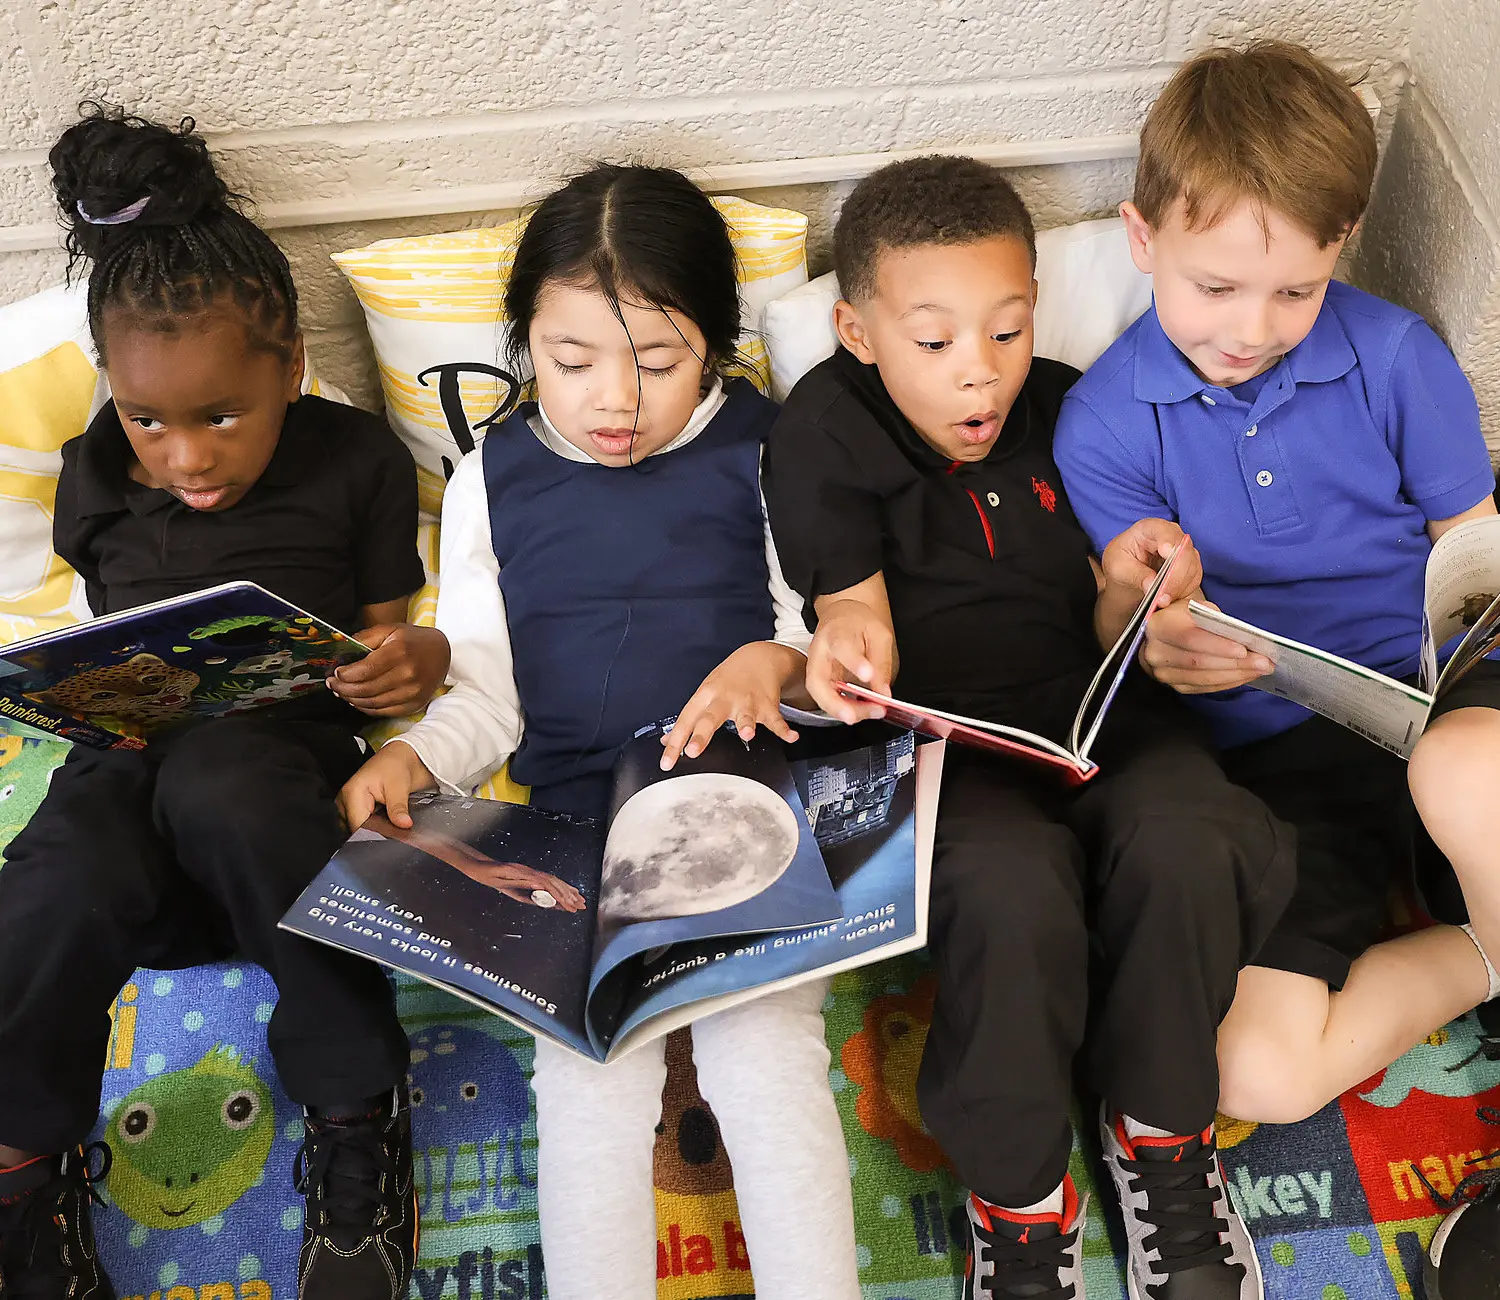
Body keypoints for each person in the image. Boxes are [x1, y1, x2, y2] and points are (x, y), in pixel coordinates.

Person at [762, 154, 1295, 1300]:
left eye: (1006, 332)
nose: (980, 376)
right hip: (949, 750)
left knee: (1196, 833)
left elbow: (1111, 605)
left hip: (1091, 711)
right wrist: (849, 653)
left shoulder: (1069, 405)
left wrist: (1141, 584)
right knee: (1009, 889)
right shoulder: (826, 428)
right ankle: (1017, 1194)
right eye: (936, 341)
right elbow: (848, 607)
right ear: (857, 330)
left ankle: (1157, 1130)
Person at [337, 163, 863, 1300]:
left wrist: (776, 663)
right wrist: (413, 755)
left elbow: (820, 655)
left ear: (716, 348)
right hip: (574, 825)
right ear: (528, 343)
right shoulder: (492, 476)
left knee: (765, 1060)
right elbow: (486, 697)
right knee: (584, 1073)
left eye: (660, 363)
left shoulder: (771, 448)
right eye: (573, 363)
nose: (615, 399)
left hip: (744, 807)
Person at [1051, 41, 1500, 1300]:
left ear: (1345, 244)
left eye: (1295, 293)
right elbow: (1122, 608)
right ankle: (1486, 950)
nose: (1249, 330)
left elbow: (1469, 543)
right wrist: (1149, 631)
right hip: (1295, 742)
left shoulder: (1397, 356)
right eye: (1216, 287)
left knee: (1471, 771)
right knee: (1253, 1072)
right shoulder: (1103, 422)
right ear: (1141, 238)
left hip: (1446, 693)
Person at [0, 105, 450, 1300]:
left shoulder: (354, 460)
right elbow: (110, 622)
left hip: (275, 778)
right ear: (112, 394)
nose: (185, 459)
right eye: (150, 420)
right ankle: (17, 1165)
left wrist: (408, 662)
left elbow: (388, 628)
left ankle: (356, 1112)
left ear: (291, 366)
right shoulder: (100, 467)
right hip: (133, 766)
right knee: (51, 870)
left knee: (226, 779)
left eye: (220, 418)